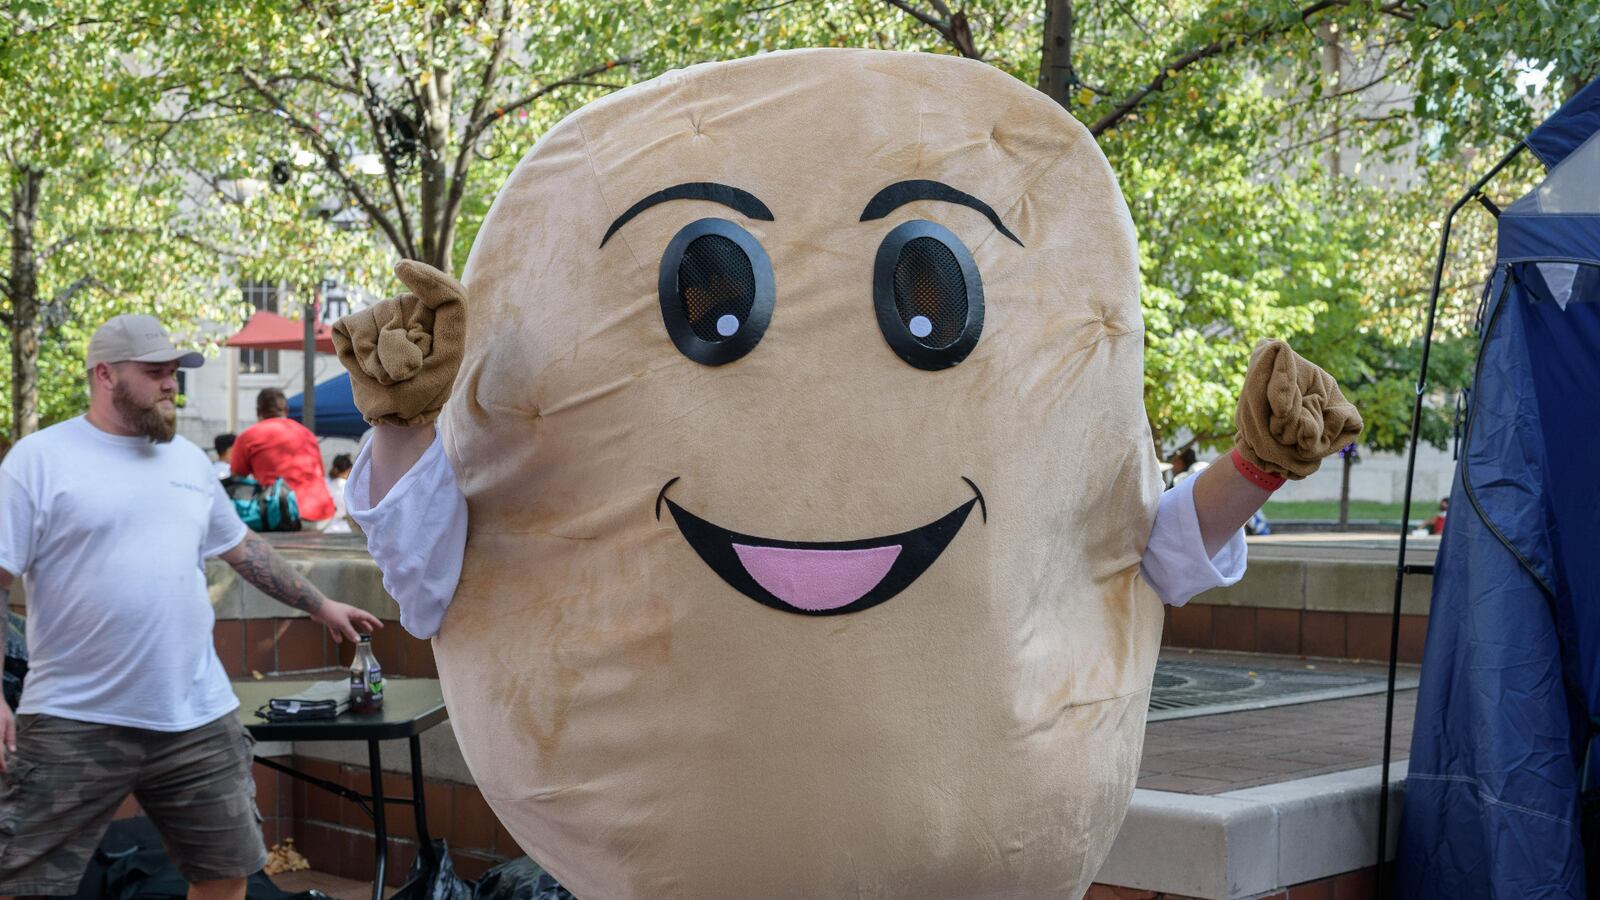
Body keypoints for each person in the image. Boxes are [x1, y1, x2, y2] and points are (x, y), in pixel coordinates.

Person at [0, 314, 382, 899]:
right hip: (74, 717)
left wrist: (320, 604)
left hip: (196, 718)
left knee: (227, 875)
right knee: (26, 881)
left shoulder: (186, 462)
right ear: (104, 374)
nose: (169, 386)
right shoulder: (38, 460)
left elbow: (243, 549)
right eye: (155, 373)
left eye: (174, 374)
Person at [230, 388, 335, 528]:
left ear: (258, 412)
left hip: (284, 514)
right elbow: (319, 474)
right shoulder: (307, 434)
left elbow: (236, 480)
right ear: (287, 410)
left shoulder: (248, 437)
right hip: (322, 514)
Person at [323, 454, 354, 535]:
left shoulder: (325, 483)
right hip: (343, 528)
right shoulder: (348, 486)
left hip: (325, 527)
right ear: (349, 470)